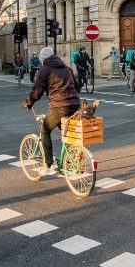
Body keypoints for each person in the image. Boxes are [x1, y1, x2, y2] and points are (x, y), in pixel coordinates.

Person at [23, 46, 81, 177]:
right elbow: (77, 87)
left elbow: (37, 91)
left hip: (60, 106)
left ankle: (48, 165)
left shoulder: (45, 70)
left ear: (43, 60)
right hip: (75, 105)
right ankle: (71, 161)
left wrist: (29, 102)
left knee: (45, 130)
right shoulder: (67, 68)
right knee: (67, 133)